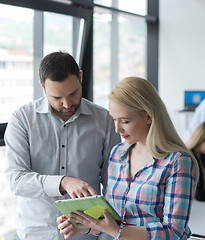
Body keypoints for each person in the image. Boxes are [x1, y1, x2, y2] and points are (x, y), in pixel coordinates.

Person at [57, 77, 199, 240]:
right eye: (114, 120)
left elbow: (175, 231)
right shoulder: (118, 153)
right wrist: (84, 226)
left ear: (148, 117)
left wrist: (117, 231)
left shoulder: (177, 162)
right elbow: (111, 219)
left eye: (125, 121)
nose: (117, 129)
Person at [4, 51, 121, 240]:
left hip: (87, 236)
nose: (67, 104)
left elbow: (114, 185)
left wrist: (103, 230)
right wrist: (62, 182)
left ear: (80, 77)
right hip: (34, 234)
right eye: (57, 97)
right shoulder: (22, 119)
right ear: (42, 86)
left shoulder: (105, 121)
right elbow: (16, 180)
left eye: (73, 93)